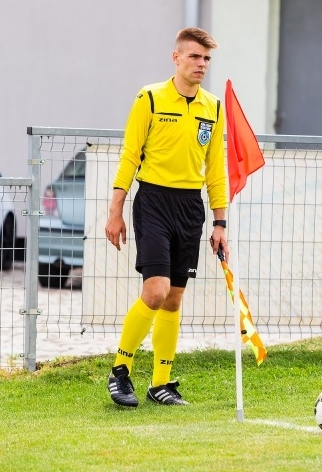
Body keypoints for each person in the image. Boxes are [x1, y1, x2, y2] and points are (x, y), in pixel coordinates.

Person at [105, 27, 229, 407]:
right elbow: (129, 155)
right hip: (154, 202)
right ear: (176, 58)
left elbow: (216, 168)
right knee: (155, 291)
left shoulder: (214, 107)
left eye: (206, 58)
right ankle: (120, 371)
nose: (201, 64)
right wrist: (116, 211)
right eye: (194, 57)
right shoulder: (151, 98)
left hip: (191, 208)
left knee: (174, 300)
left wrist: (220, 223)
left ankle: (161, 383)